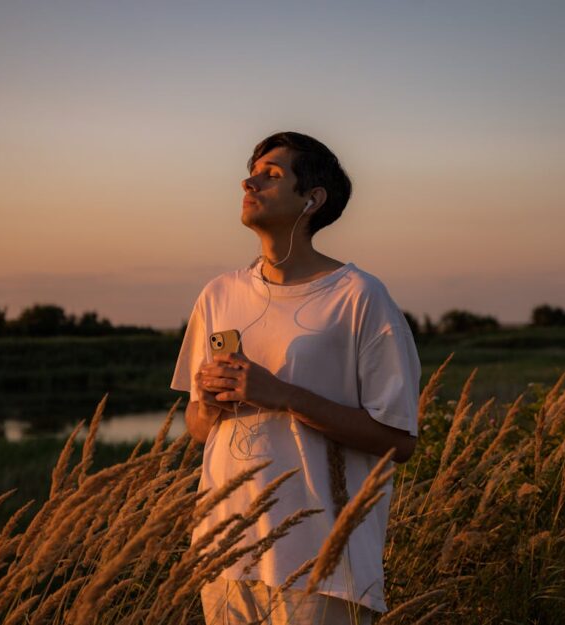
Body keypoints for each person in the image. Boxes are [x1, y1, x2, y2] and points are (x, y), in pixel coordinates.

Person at [170, 131, 421, 624]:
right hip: (226, 554)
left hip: (323, 562)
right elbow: (198, 427)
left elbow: (399, 440)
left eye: (272, 174)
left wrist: (281, 394)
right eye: (252, 170)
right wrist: (212, 404)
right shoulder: (218, 294)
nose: (250, 180)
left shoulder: (359, 296)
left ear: (313, 199)